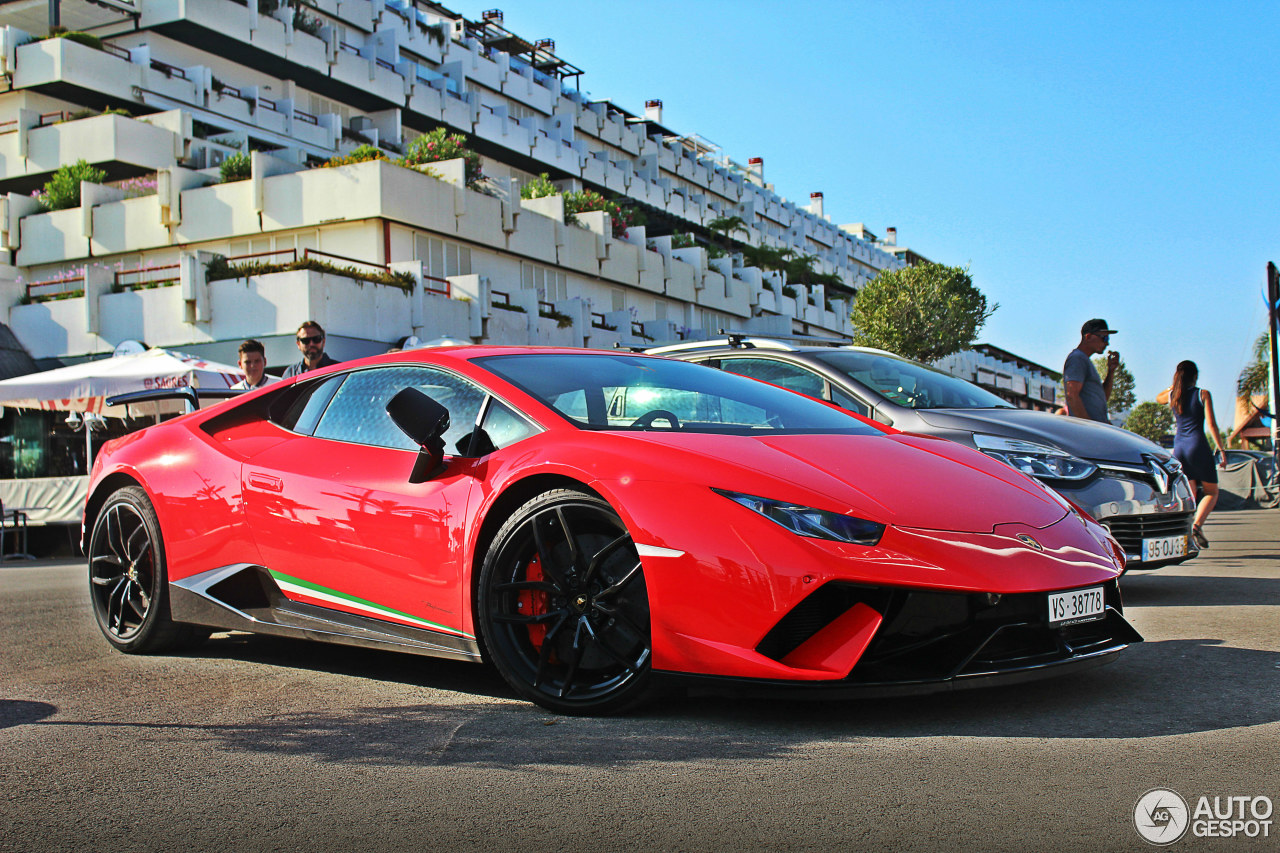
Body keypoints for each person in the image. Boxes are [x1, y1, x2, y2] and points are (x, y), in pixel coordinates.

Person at [1157, 360, 1227, 549]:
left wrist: (1173, 385)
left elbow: (1158, 398)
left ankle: (1187, 530)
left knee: (1191, 493)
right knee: (1212, 492)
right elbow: (1212, 425)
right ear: (1195, 376)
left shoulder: (1173, 395)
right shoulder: (1202, 394)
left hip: (1179, 447)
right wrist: (1221, 449)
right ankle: (1196, 526)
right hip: (1198, 445)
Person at [1064, 319, 1118, 422]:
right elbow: (1072, 396)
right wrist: (1090, 427)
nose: (1107, 343)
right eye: (1104, 338)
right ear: (1088, 337)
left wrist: (1111, 371)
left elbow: (1103, 399)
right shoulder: (1077, 358)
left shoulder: (1083, 360)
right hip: (1087, 433)